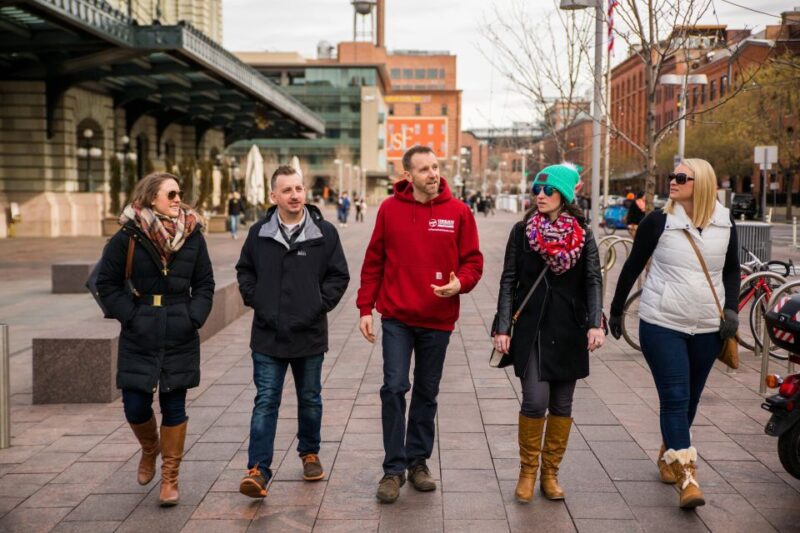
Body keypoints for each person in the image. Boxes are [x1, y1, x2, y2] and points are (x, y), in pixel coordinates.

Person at [608, 159, 739, 509]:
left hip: (708, 328)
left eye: (681, 177)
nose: (673, 181)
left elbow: (731, 270)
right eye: (672, 176)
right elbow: (632, 265)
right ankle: (688, 477)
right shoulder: (659, 221)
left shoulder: (725, 222)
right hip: (662, 323)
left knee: (691, 400)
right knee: (676, 397)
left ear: (704, 183)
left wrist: (732, 312)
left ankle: (670, 451)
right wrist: (617, 310)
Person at [357, 145, 484, 504]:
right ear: (407, 175)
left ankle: (418, 462)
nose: (433, 174)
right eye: (424, 169)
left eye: (436, 167)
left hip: (438, 320)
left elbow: (473, 261)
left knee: (427, 393)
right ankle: (393, 469)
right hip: (397, 316)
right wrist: (365, 307)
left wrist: (460, 282)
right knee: (394, 387)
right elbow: (374, 261)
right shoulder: (389, 210)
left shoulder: (458, 212)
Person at [95, 172, 215, 507]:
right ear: (151, 198)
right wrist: (131, 316)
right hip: (140, 327)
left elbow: (205, 282)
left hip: (179, 326)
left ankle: (170, 478)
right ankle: (150, 448)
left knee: (174, 403)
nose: (178, 199)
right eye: (172, 193)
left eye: (179, 193)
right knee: (134, 404)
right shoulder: (129, 234)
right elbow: (107, 283)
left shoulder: (192, 234)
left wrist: (195, 316)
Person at [236, 165, 350, 499]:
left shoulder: (324, 233)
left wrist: (317, 304)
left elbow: (338, 276)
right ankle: (258, 469)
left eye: (299, 189)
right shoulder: (259, 233)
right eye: (287, 190)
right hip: (267, 335)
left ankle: (309, 452)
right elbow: (245, 271)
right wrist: (257, 300)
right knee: (266, 401)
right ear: (273, 196)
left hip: (309, 333)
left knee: (310, 399)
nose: (295, 195)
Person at [493, 163, 604, 504]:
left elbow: (593, 280)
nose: (540, 196)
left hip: (569, 329)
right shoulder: (522, 230)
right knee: (534, 400)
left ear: (565, 195)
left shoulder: (583, 234)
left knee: (562, 403)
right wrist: (502, 327)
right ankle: (527, 472)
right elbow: (509, 279)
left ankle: (550, 474)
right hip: (532, 329)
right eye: (536, 190)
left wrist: (595, 323)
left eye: (548, 190)